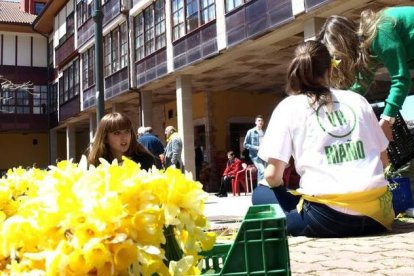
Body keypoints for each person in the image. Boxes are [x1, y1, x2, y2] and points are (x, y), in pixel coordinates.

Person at [253, 40, 394, 238]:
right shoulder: (358, 100)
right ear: (330, 69)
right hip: (378, 215)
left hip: (327, 219)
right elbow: (384, 160)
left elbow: (271, 176)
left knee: (260, 194)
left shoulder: (288, 107)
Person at [316, 6, 414, 141]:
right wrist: (337, 102)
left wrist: (386, 119)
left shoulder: (380, 32)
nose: (338, 64)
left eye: (338, 59)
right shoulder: (369, 45)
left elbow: (401, 79)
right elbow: (362, 82)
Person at [87, 112, 156, 170]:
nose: (124, 137)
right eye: (117, 133)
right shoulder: (96, 164)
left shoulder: (145, 160)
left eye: (127, 131)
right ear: (105, 138)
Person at [243, 115, 266, 183]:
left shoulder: (265, 132)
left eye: (262, 121)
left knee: (261, 172)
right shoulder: (251, 131)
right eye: (259, 120)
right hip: (255, 155)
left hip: (264, 155)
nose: (260, 122)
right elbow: (245, 144)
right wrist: (256, 147)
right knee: (263, 171)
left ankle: (260, 190)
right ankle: (262, 189)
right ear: (255, 122)